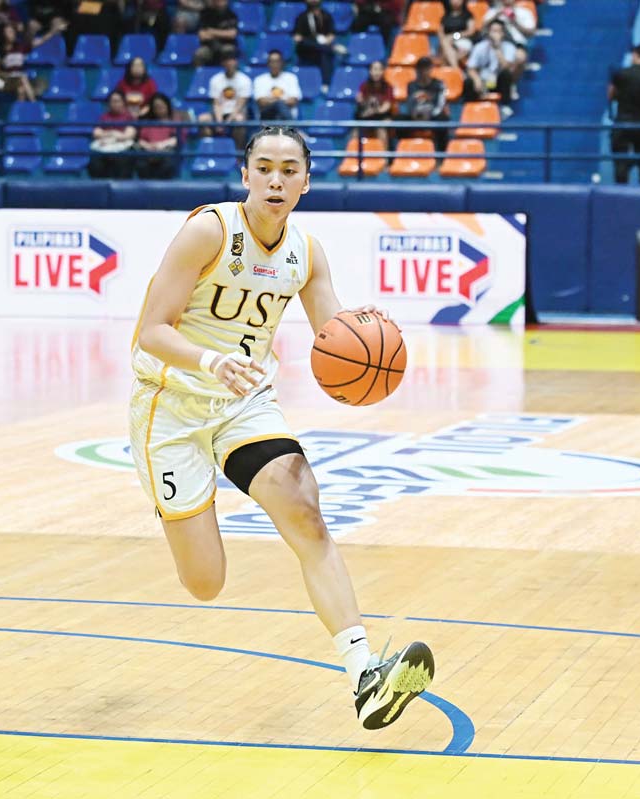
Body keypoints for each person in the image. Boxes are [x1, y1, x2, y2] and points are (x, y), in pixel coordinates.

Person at [128, 125, 434, 731]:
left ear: (305, 181)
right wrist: (211, 360)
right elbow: (152, 330)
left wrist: (368, 335)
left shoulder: (307, 251)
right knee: (205, 581)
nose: (275, 179)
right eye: (264, 167)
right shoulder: (207, 231)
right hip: (172, 404)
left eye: (289, 169)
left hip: (244, 402)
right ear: (245, 175)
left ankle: (364, 671)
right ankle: (193, 499)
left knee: (304, 509)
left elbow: (334, 337)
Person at [609, 44, 640, 184]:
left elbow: (611, 95)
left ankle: (619, 194)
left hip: (622, 123)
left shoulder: (622, 74)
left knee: (620, 164)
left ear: (636, 54)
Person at [464, 19, 516, 112]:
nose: (495, 34)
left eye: (498, 31)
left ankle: (505, 107)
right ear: (488, 32)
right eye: (493, 31)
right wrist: (476, 79)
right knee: (468, 82)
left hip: (498, 81)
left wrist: (497, 48)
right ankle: (469, 109)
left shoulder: (509, 47)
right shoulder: (479, 47)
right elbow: (470, 67)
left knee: (506, 75)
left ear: (503, 33)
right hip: (483, 81)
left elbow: (506, 67)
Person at [398, 56, 449, 150]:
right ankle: (401, 153)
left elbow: (440, 104)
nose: (423, 71)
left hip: (432, 115)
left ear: (431, 69)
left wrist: (429, 115)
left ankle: (442, 156)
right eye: (421, 68)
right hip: (416, 116)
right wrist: (416, 115)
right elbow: (410, 105)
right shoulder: (411, 85)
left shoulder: (439, 84)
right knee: (399, 120)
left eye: (426, 68)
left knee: (443, 120)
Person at [202, 53, 251, 148]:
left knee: (239, 120)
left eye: (231, 60)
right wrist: (220, 122)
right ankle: (208, 151)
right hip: (219, 114)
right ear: (222, 63)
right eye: (226, 61)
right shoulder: (215, 79)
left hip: (236, 113)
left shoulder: (245, 80)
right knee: (203, 119)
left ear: (236, 62)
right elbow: (216, 104)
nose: (229, 63)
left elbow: (239, 105)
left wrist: (227, 122)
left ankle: (238, 154)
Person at [88, 90, 136, 178]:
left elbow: (128, 135)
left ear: (123, 102)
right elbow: (96, 133)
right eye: (111, 101)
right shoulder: (104, 117)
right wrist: (114, 133)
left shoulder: (129, 117)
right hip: (104, 147)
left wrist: (107, 134)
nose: (114, 104)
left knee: (123, 160)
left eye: (117, 101)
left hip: (121, 149)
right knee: (94, 162)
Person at [293, 0, 337, 87]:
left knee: (324, 53)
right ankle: (332, 48)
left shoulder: (326, 16)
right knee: (309, 44)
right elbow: (297, 37)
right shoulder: (302, 17)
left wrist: (325, 41)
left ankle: (326, 84)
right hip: (306, 50)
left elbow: (331, 34)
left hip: (322, 49)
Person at [136, 93, 179, 179]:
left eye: (161, 106)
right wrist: (148, 146)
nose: (159, 109)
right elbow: (140, 140)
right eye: (156, 107)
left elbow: (177, 139)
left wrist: (161, 145)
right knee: (140, 163)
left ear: (167, 106)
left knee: (168, 163)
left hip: (166, 152)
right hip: (148, 152)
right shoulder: (147, 122)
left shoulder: (174, 120)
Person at [252, 50, 301, 121]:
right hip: (267, 118)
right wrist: (279, 102)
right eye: (272, 62)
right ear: (268, 64)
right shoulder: (259, 80)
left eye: (277, 61)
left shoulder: (291, 78)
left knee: (279, 109)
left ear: (282, 63)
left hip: (284, 117)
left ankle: (289, 127)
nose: (275, 64)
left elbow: (293, 101)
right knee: (278, 104)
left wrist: (272, 101)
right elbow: (261, 102)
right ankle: (293, 128)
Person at [354, 59, 393, 149]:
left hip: (380, 116)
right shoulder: (364, 86)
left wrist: (375, 110)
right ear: (370, 71)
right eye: (374, 69)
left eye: (379, 69)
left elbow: (386, 106)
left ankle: (384, 160)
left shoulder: (388, 87)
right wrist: (362, 102)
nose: (377, 72)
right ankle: (352, 158)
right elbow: (360, 100)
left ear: (383, 71)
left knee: (381, 130)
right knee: (355, 132)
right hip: (366, 116)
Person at [194, 0, 238, 66]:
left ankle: (226, 76)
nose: (220, 2)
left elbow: (232, 34)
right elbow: (202, 35)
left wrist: (212, 31)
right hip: (209, 47)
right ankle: (200, 75)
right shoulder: (205, 14)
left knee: (229, 52)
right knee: (199, 54)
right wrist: (223, 34)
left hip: (226, 45)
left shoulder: (231, 15)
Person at [437, 0, 476, 71]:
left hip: (463, 41)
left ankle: (455, 70)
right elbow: (440, 32)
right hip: (448, 44)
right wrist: (446, 40)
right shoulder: (445, 16)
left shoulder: (467, 15)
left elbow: (470, 31)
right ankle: (456, 70)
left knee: (445, 56)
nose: (455, 1)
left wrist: (454, 36)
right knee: (445, 44)